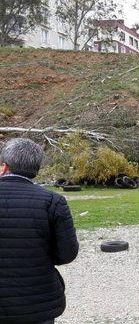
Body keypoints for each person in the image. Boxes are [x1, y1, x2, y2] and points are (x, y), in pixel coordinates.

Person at [0, 138, 79, 324]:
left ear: (4, 167)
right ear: (36, 170)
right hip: (37, 303)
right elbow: (67, 253)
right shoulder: (53, 201)